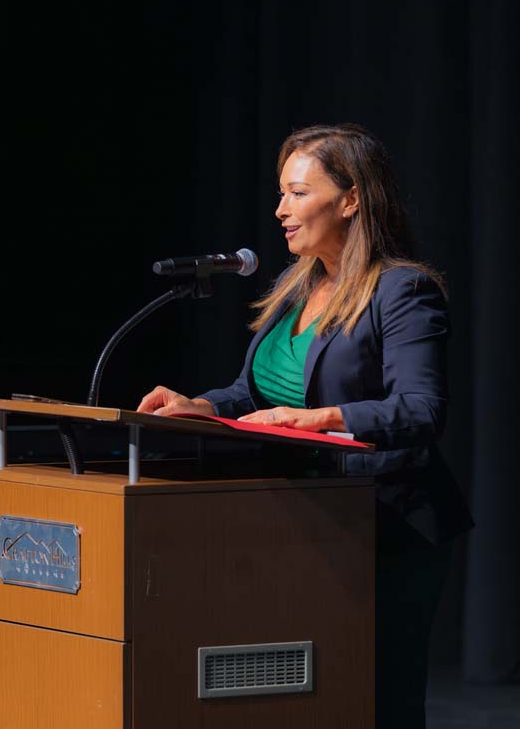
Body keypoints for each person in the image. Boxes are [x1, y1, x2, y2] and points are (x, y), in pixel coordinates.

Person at [136, 123, 473, 728]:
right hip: (300, 521)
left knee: (378, 700)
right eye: (281, 193)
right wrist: (202, 407)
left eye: (297, 193)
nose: (280, 210)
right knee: (310, 700)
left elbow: (422, 409)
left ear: (350, 200)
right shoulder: (297, 287)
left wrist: (319, 418)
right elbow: (255, 393)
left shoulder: (402, 291)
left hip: (385, 523)